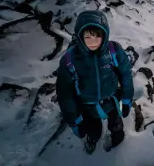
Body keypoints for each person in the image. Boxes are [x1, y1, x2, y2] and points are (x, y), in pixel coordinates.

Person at [56, 10, 134, 154]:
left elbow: (126, 75)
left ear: (105, 35)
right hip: (87, 105)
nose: (94, 42)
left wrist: (127, 98)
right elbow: (64, 93)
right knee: (94, 131)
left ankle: (118, 140)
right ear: (80, 36)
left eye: (98, 36)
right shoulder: (70, 60)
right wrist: (74, 120)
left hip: (111, 100)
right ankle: (92, 140)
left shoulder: (113, 51)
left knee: (116, 124)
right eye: (88, 37)